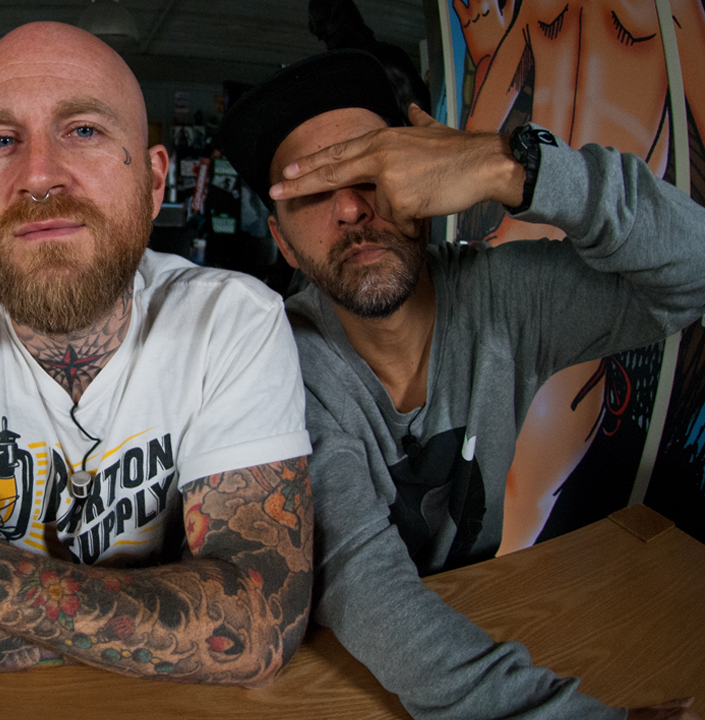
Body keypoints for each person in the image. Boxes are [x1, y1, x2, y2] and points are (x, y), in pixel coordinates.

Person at [0, 21, 313, 686]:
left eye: (83, 130)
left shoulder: (234, 321)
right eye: (2, 141)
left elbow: (258, 625)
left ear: (153, 180)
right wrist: (180, 628)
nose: (39, 176)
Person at [218, 49, 705, 719]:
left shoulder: (503, 299)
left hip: (482, 617)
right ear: (284, 241)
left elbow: (693, 273)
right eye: (311, 192)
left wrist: (512, 167)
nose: (352, 208)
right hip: (333, 681)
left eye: (370, 171)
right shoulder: (276, 364)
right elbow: (365, 582)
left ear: (422, 181)